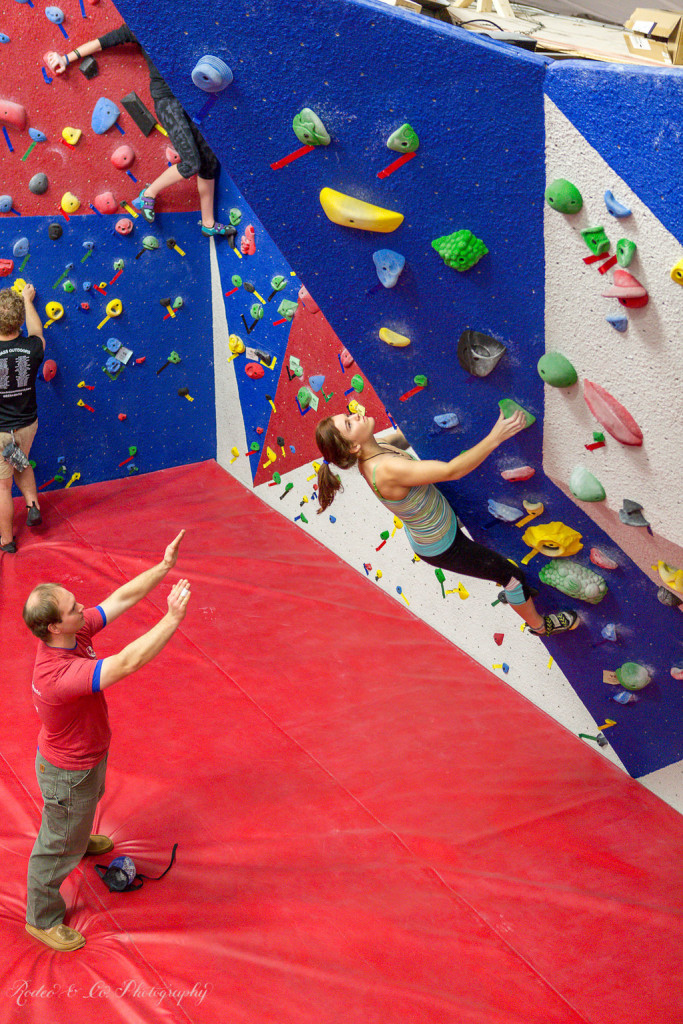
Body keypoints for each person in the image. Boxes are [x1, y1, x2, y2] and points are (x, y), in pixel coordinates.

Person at [22, 530, 190, 952]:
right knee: (53, 847)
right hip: (68, 773)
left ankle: (77, 839)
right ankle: (40, 918)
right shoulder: (58, 675)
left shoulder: (72, 632)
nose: (84, 609)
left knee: (86, 810)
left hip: (86, 758)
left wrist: (162, 567)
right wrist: (170, 619)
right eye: (74, 609)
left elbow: (118, 600)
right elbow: (128, 661)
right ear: (54, 626)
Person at [315, 410, 579, 637]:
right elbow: (452, 470)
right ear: (353, 448)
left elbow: (405, 438)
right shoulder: (385, 470)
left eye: (347, 416)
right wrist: (495, 436)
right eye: (349, 424)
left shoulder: (377, 447)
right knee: (512, 576)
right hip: (443, 547)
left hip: (431, 525)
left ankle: (518, 597)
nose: (355, 415)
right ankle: (540, 625)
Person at [44, 26, 230, 237]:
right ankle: (148, 193)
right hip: (167, 100)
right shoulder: (141, 25)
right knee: (192, 163)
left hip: (194, 97)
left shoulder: (183, 21)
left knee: (209, 160)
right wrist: (66, 58)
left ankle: (208, 223)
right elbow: (104, 41)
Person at [0, 284, 45, 553]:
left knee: (3, 487)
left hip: (0, 432)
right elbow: (37, 332)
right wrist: (28, 301)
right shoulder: (32, 348)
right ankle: (32, 505)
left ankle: (6, 539)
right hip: (27, 425)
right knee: (20, 460)